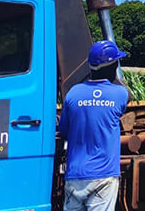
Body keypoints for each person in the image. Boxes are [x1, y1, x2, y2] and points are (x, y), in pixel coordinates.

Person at [58, 40, 130, 211]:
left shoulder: (73, 93)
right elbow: (126, 95)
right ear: (112, 67)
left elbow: (64, 130)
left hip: (75, 175)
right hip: (103, 176)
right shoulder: (120, 94)